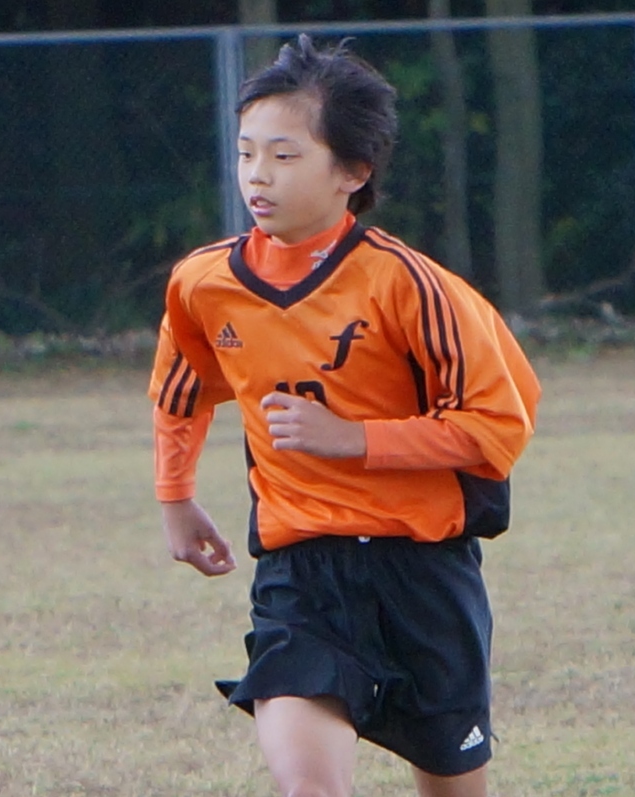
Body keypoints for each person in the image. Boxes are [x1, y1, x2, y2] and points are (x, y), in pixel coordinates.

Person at [148, 34, 541, 797]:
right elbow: (179, 390)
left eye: (285, 155)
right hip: (303, 571)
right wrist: (175, 496)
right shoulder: (204, 283)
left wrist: (353, 439)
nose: (257, 175)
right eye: (246, 152)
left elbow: (499, 428)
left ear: (353, 172)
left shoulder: (411, 286)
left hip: (423, 571)